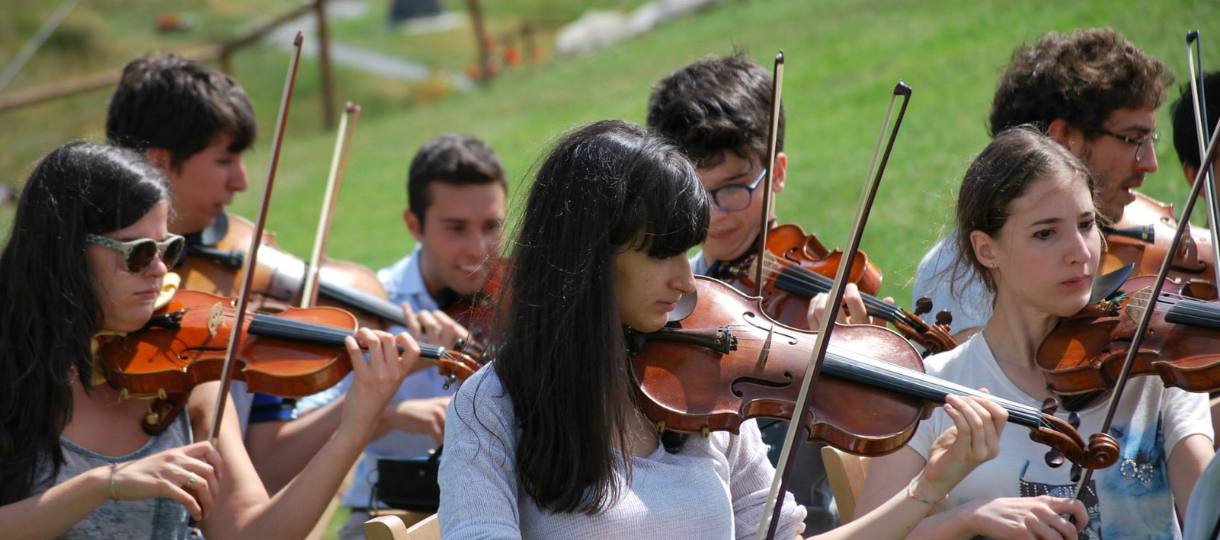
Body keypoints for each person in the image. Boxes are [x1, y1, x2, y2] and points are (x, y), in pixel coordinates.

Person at [438, 120, 1011, 539]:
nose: (687, 282)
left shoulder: (698, 393)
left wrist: (930, 487)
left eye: (687, 252)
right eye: (662, 254)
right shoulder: (492, 407)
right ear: (590, 258)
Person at [0, 141, 421, 538]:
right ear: (67, 251)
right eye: (139, 253)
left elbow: (254, 533)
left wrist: (355, 428)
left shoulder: (187, 370)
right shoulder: (11, 372)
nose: (161, 271)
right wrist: (103, 484)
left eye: (168, 249)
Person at [104, 53, 462, 492]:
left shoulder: (243, 311)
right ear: (158, 163)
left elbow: (262, 470)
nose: (242, 182)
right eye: (224, 160)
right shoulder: (97, 303)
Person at [854, 127, 1215, 539]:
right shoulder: (937, 389)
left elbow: (1207, 509)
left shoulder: (1155, 359)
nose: (1079, 252)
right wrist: (968, 517)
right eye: (1046, 233)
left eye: (1085, 224)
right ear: (986, 249)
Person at [647, 53, 851, 532]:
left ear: (777, 172)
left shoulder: (822, 297)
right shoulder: (660, 298)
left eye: (735, 188)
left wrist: (842, 353)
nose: (715, 214)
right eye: (695, 193)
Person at [294, 133, 507, 538]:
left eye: (491, 226)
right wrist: (388, 412)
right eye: (456, 229)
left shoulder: (519, 300)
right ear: (415, 225)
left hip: (502, 504)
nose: (478, 249)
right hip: (388, 511)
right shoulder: (373, 303)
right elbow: (298, 439)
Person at [913, 28, 1173, 338]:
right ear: (1064, 137)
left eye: (1087, 224)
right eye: (1134, 139)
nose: (1150, 163)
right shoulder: (956, 274)